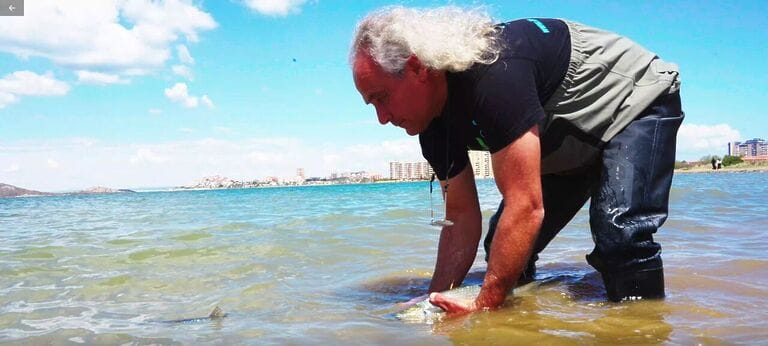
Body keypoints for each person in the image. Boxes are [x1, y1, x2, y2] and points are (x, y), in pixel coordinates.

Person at [350, 6, 683, 314]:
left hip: (634, 103)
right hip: (566, 143)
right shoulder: (433, 129)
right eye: (371, 105)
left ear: (416, 67)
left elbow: (526, 206)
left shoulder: (494, 74)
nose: (381, 118)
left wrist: (486, 303)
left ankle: (641, 328)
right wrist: (435, 299)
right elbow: (462, 218)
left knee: (619, 234)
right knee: (503, 247)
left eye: (381, 98)